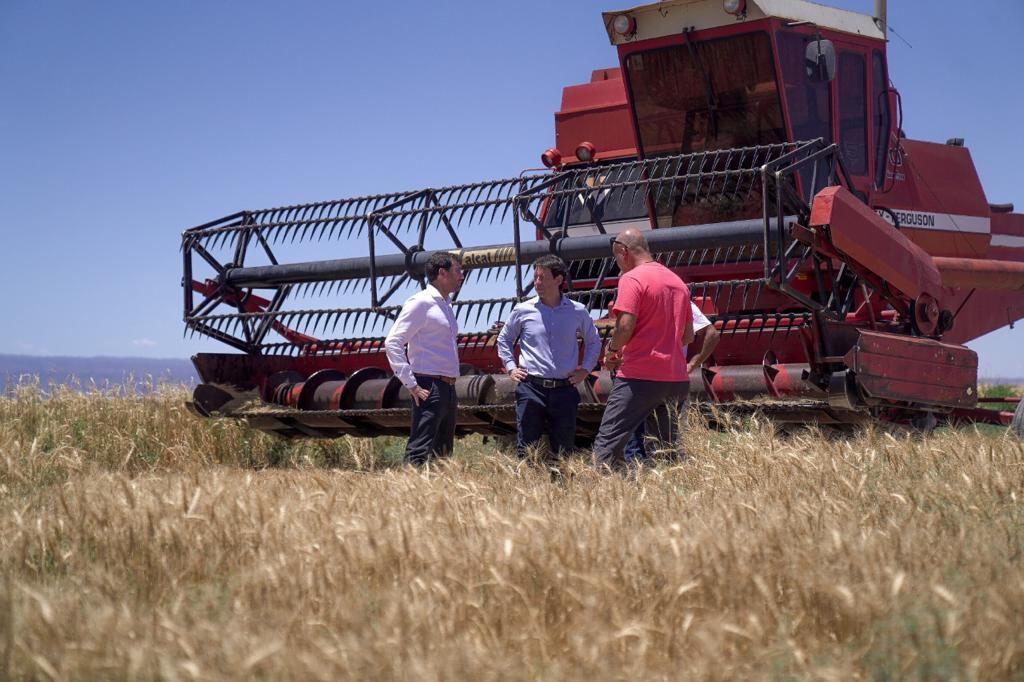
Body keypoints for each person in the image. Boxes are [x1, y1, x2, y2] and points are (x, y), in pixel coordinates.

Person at [592, 229, 694, 467]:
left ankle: (601, 496)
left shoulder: (632, 278)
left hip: (639, 378)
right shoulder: (678, 283)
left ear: (623, 251)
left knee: (608, 443)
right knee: (666, 450)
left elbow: (625, 326)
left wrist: (612, 350)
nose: (618, 263)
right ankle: (670, 495)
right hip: (675, 379)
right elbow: (688, 335)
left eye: (616, 257)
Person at [497, 255, 601, 460]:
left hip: (565, 390)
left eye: (542, 277)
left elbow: (594, 341)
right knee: (527, 448)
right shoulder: (522, 310)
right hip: (530, 388)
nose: (537, 283)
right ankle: (527, 488)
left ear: (559, 280)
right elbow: (504, 339)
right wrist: (510, 367)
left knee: (564, 449)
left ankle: (561, 489)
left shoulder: (577, 311)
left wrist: (585, 369)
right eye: (535, 277)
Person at [384, 252, 465, 465]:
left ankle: (438, 496)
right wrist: (411, 384)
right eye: (457, 271)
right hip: (429, 386)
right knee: (420, 448)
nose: (462, 276)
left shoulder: (445, 304)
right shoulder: (420, 303)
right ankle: (407, 495)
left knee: (444, 453)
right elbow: (393, 342)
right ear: (442, 273)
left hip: (448, 387)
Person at [623, 302, 719, 462]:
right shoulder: (681, 300)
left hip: (638, 376)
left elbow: (623, 331)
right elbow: (712, 334)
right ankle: (669, 472)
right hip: (671, 378)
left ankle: (640, 477)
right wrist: (693, 363)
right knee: (671, 438)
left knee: (637, 438)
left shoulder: (635, 300)